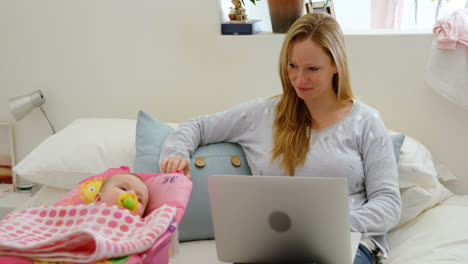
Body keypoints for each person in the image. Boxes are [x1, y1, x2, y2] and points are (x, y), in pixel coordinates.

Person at [160, 12, 401, 264]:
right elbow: (198, 126)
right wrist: (176, 155)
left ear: (337, 65)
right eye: (292, 66)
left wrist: (332, 227)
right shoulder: (262, 115)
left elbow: (388, 202)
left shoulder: (366, 122)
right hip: (271, 244)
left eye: (312, 69)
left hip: (348, 242)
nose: (299, 79)